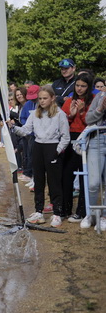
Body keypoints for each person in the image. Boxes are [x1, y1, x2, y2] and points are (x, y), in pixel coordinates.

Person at [11, 85, 70, 227]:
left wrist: (57, 151)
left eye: (45, 98)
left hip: (52, 147)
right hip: (37, 147)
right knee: (38, 181)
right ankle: (39, 211)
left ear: (52, 98)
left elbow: (65, 137)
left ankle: (57, 212)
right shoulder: (35, 113)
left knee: (54, 181)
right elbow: (26, 130)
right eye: (40, 98)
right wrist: (13, 127)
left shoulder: (60, 114)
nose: (42, 101)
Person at [62, 73, 95, 223]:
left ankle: (81, 211)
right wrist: (70, 115)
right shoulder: (69, 100)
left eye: (83, 86)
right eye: (77, 85)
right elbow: (62, 123)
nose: (80, 89)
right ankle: (65, 208)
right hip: (71, 138)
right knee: (67, 174)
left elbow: (92, 121)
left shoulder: (93, 101)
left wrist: (81, 112)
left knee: (83, 176)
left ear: (89, 87)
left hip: (87, 138)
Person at [82, 90, 106, 230]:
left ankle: (104, 216)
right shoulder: (100, 96)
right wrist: (100, 108)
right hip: (97, 140)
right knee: (93, 183)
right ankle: (90, 213)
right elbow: (88, 119)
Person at [18, 85, 40, 189]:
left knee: (37, 158)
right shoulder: (28, 104)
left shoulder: (42, 104)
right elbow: (22, 118)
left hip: (40, 136)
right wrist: (26, 125)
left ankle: (36, 180)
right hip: (30, 135)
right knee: (30, 156)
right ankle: (33, 178)